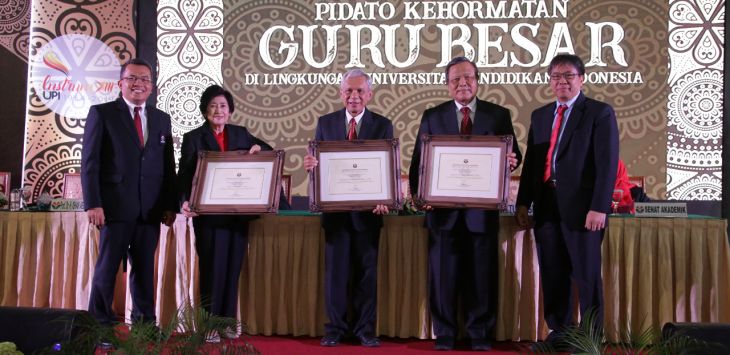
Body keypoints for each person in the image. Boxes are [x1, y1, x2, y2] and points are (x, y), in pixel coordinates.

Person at [408, 56, 521, 351]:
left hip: (481, 214)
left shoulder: (499, 114)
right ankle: (445, 332)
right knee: (443, 276)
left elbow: (514, 155)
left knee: (482, 276)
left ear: (478, 80)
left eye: (468, 77)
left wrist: (511, 160)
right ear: (448, 85)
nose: (463, 83)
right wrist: (421, 198)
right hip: (442, 215)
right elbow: (419, 164)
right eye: (456, 79)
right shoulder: (432, 116)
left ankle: (479, 333)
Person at [515, 54, 619, 349]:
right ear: (550, 81)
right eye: (556, 76)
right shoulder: (541, 114)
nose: (562, 81)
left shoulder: (599, 113)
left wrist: (599, 206)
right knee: (553, 273)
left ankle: (589, 339)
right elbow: (534, 164)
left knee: (586, 277)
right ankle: (560, 333)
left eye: (568, 75)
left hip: (584, 209)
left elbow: (607, 163)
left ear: (581, 79)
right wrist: (523, 203)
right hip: (547, 208)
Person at [177, 84, 278, 342]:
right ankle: (209, 324)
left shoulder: (241, 133)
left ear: (230, 111)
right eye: (212, 106)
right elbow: (184, 176)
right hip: (207, 217)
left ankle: (228, 322)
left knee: (232, 269)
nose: (218, 110)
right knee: (212, 269)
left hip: (237, 215)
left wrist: (258, 151)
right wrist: (184, 202)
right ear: (204, 110)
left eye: (223, 106)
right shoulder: (193, 137)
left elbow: (268, 151)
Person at [81, 58, 177, 331]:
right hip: (114, 208)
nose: (139, 84)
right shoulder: (103, 113)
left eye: (145, 79)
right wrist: (94, 203)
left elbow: (168, 165)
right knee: (107, 270)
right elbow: (90, 163)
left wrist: (169, 204)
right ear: (120, 83)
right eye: (133, 78)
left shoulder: (161, 119)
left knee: (145, 270)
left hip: (150, 209)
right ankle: (98, 327)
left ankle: (145, 326)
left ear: (152, 85)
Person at [303, 69, 392, 348]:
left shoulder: (382, 124)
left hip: (369, 215)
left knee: (367, 276)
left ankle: (365, 330)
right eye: (348, 91)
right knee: (336, 276)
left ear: (370, 94)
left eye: (359, 91)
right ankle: (335, 330)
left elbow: (387, 164)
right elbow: (319, 165)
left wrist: (385, 196)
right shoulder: (325, 123)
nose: (354, 96)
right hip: (336, 214)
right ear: (341, 93)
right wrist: (311, 167)